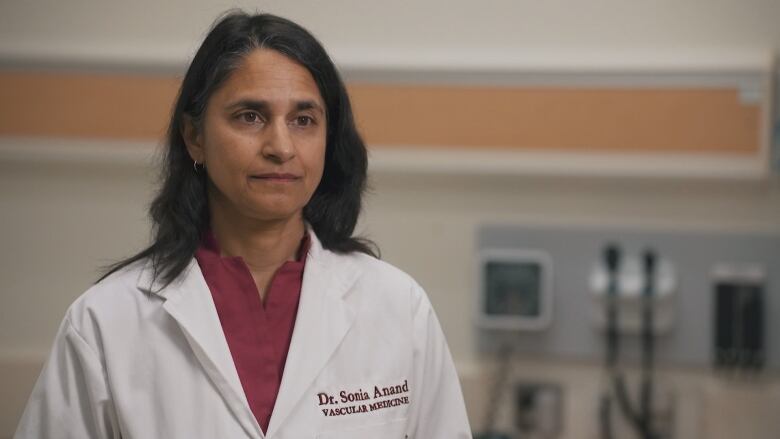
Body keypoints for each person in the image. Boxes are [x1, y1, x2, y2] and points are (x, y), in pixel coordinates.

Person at [14, 10, 471, 439]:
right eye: (249, 117)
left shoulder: (398, 308)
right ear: (195, 137)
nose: (281, 146)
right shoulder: (105, 323)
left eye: (304, 120)